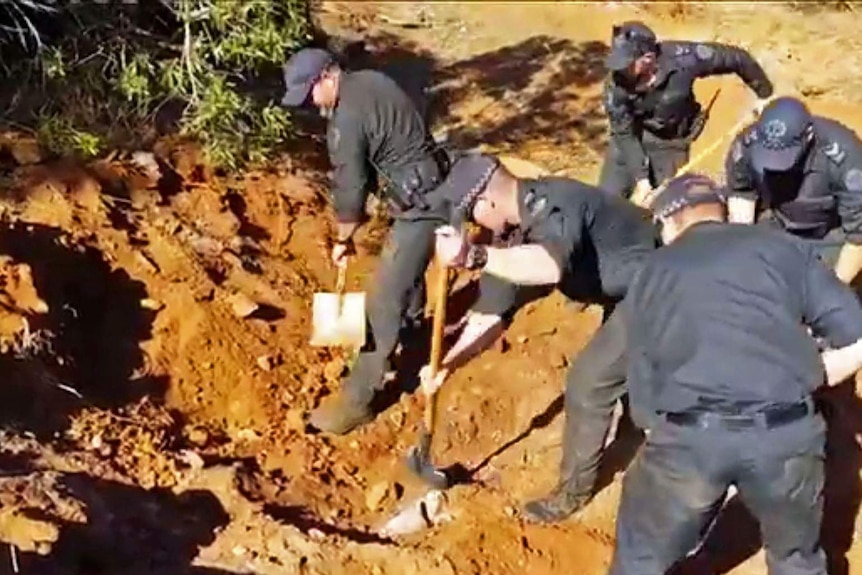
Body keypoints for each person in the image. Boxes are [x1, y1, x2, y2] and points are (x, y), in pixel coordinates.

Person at [610, 172, 862, 575]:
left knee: (641, 559)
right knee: (797, 560)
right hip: (785, 438)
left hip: (690, 441)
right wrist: (810, 376)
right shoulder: (781, 247)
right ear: (721, 211)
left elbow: (642, 368)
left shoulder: (652, 271)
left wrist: (656, 430)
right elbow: (855, 332)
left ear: (670, 221)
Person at [425, 153, 658, 523]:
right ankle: (639, 423)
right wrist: (446, 366)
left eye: (472, 215)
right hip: (624, 289)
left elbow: (548, 265)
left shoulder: (555, 205)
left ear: (487, 201)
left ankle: (573, 494)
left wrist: (474, 256)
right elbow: (490, 318)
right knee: (618, 364)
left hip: (659, 282)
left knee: (589, 382)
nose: (473, 225)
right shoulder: (509, 235)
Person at [280, 47, 451, 434]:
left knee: (383, 299)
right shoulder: (373, 81)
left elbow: (350, 182)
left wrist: (344, 237)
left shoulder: (346, 116)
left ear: (327, 76)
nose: (310, 103)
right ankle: (409, 335)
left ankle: (358, 399)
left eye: (310, 94)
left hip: (419, 205)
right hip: (435, 188)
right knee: (407, 275)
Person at [601, 20, 774, 204]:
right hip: (631, 138)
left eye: (627, 63)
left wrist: (765, 96)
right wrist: (642, 180)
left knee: (667, 207)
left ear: (648, 58)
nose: (619, 69)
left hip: (671, 143)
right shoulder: (614, 84)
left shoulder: (683, 58)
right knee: (604, 202)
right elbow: (623, 132)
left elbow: (737, 58)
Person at [725, 95, 862, 284]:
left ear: (809, 138)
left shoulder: (846, 158)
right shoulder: (747, 144)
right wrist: (744, 252)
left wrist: (833, 291)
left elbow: (858, 236)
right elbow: (741, 192)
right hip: (777, 224)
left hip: (829, 236)